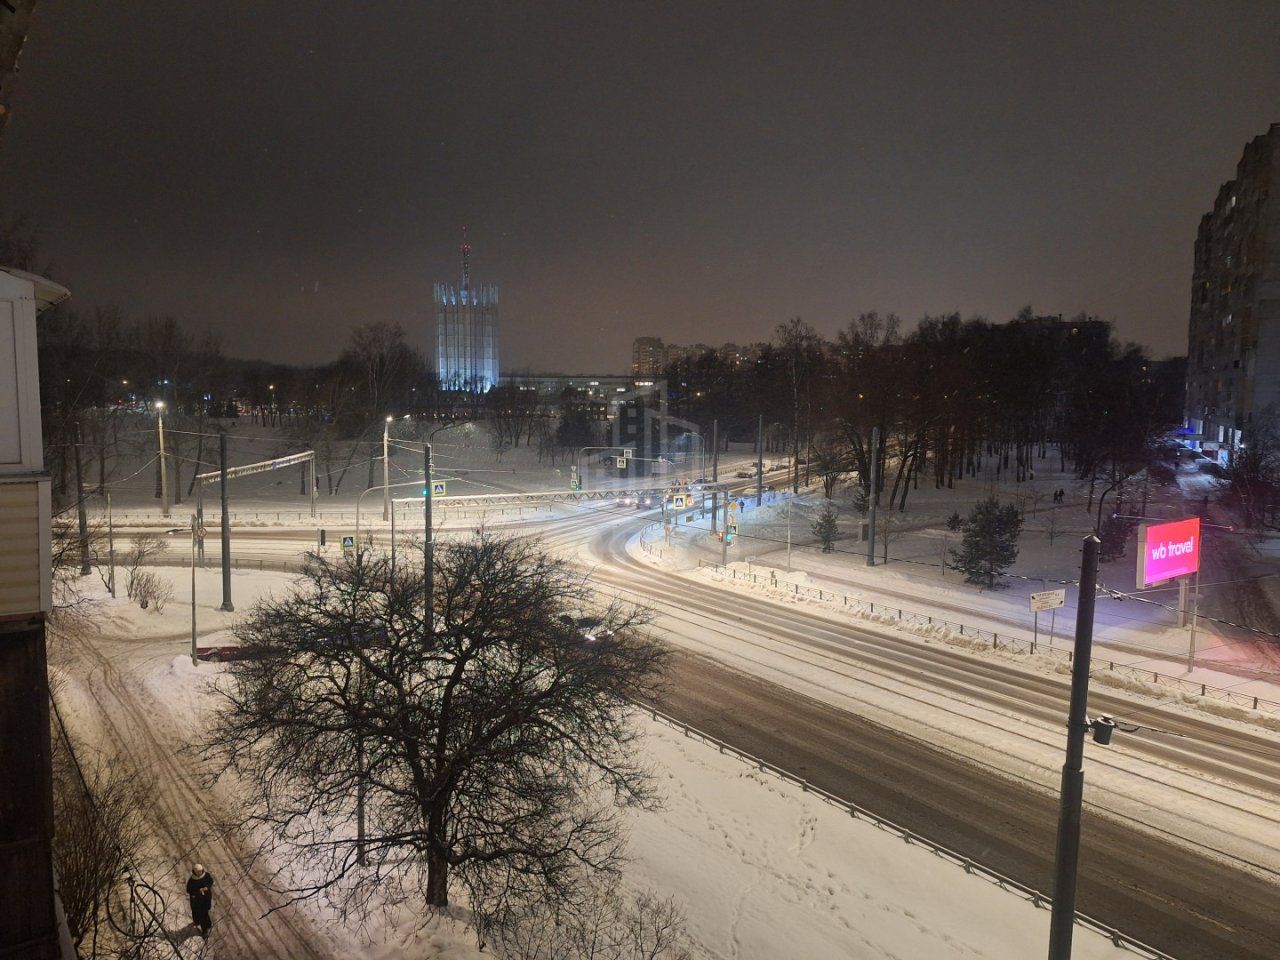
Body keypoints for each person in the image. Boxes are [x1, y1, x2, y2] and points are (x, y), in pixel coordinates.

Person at [187, 864, 214, 938]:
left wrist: (207, 887)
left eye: (200, 871)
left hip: (206, 899)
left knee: (205, 912)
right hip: (197, 901)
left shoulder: (206, 875)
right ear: (195, 872)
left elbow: (210, 881)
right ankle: (204, 929)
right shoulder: (192, 880)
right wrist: (199, 890)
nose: (199, 873)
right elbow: (189, 890)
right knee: (201, 914)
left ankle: (207, 925)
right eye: (198, 872)